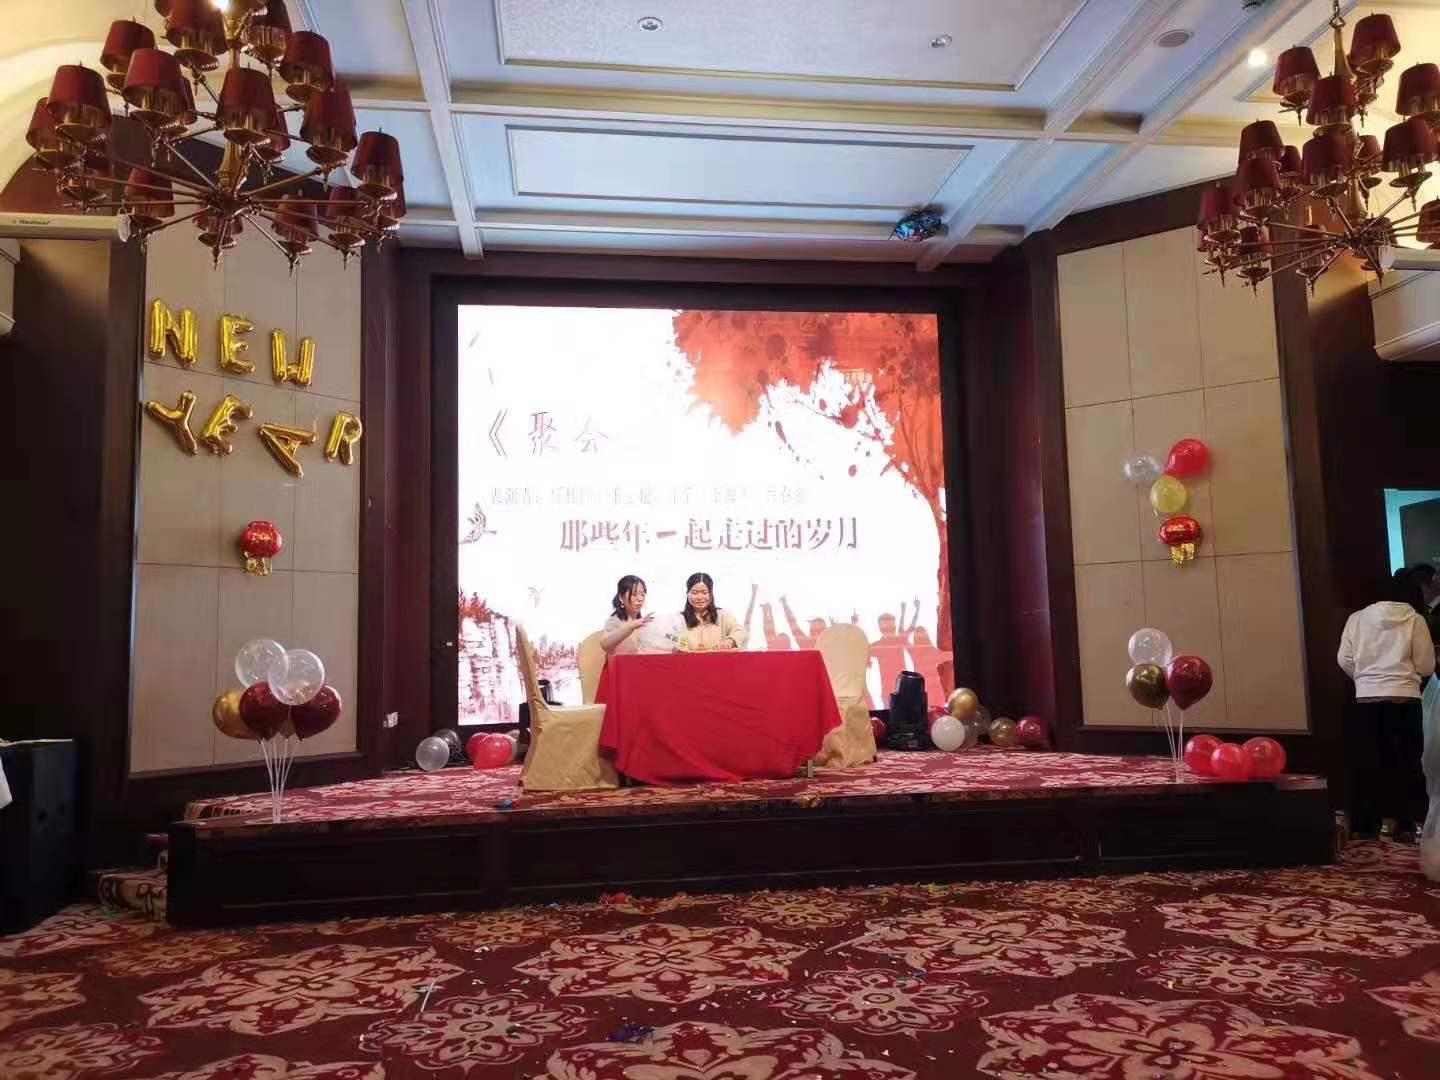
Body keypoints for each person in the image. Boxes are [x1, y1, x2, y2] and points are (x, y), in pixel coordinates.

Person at [1339, 572, 1435, 840]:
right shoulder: (1414, 619)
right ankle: (1406, 823)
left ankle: (1367, 824)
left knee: (1369, 762)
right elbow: (1426, 665)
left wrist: (1364, 679)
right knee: (1406, 761)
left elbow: (1344, 659)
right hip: (1405, 698)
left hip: (1366, 699)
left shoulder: (1356, 619)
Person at [679, 572, 748, 651]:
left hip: (719, 659)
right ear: (687, 593)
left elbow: (741, 632)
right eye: (694, 593)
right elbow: (671, 640)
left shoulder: (723, 615)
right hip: (688, 659)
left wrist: (730, 641)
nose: (700, 597)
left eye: (704, 592)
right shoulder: (679, 619)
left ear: (711, 594)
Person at [600, 574, 651, 655]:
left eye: (642, 594)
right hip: (620, 663)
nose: (640, 599)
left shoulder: (644, 622)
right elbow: (605, 644)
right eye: (634, 594)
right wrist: (630, 627)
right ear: (621, 597)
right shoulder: (614, 621)